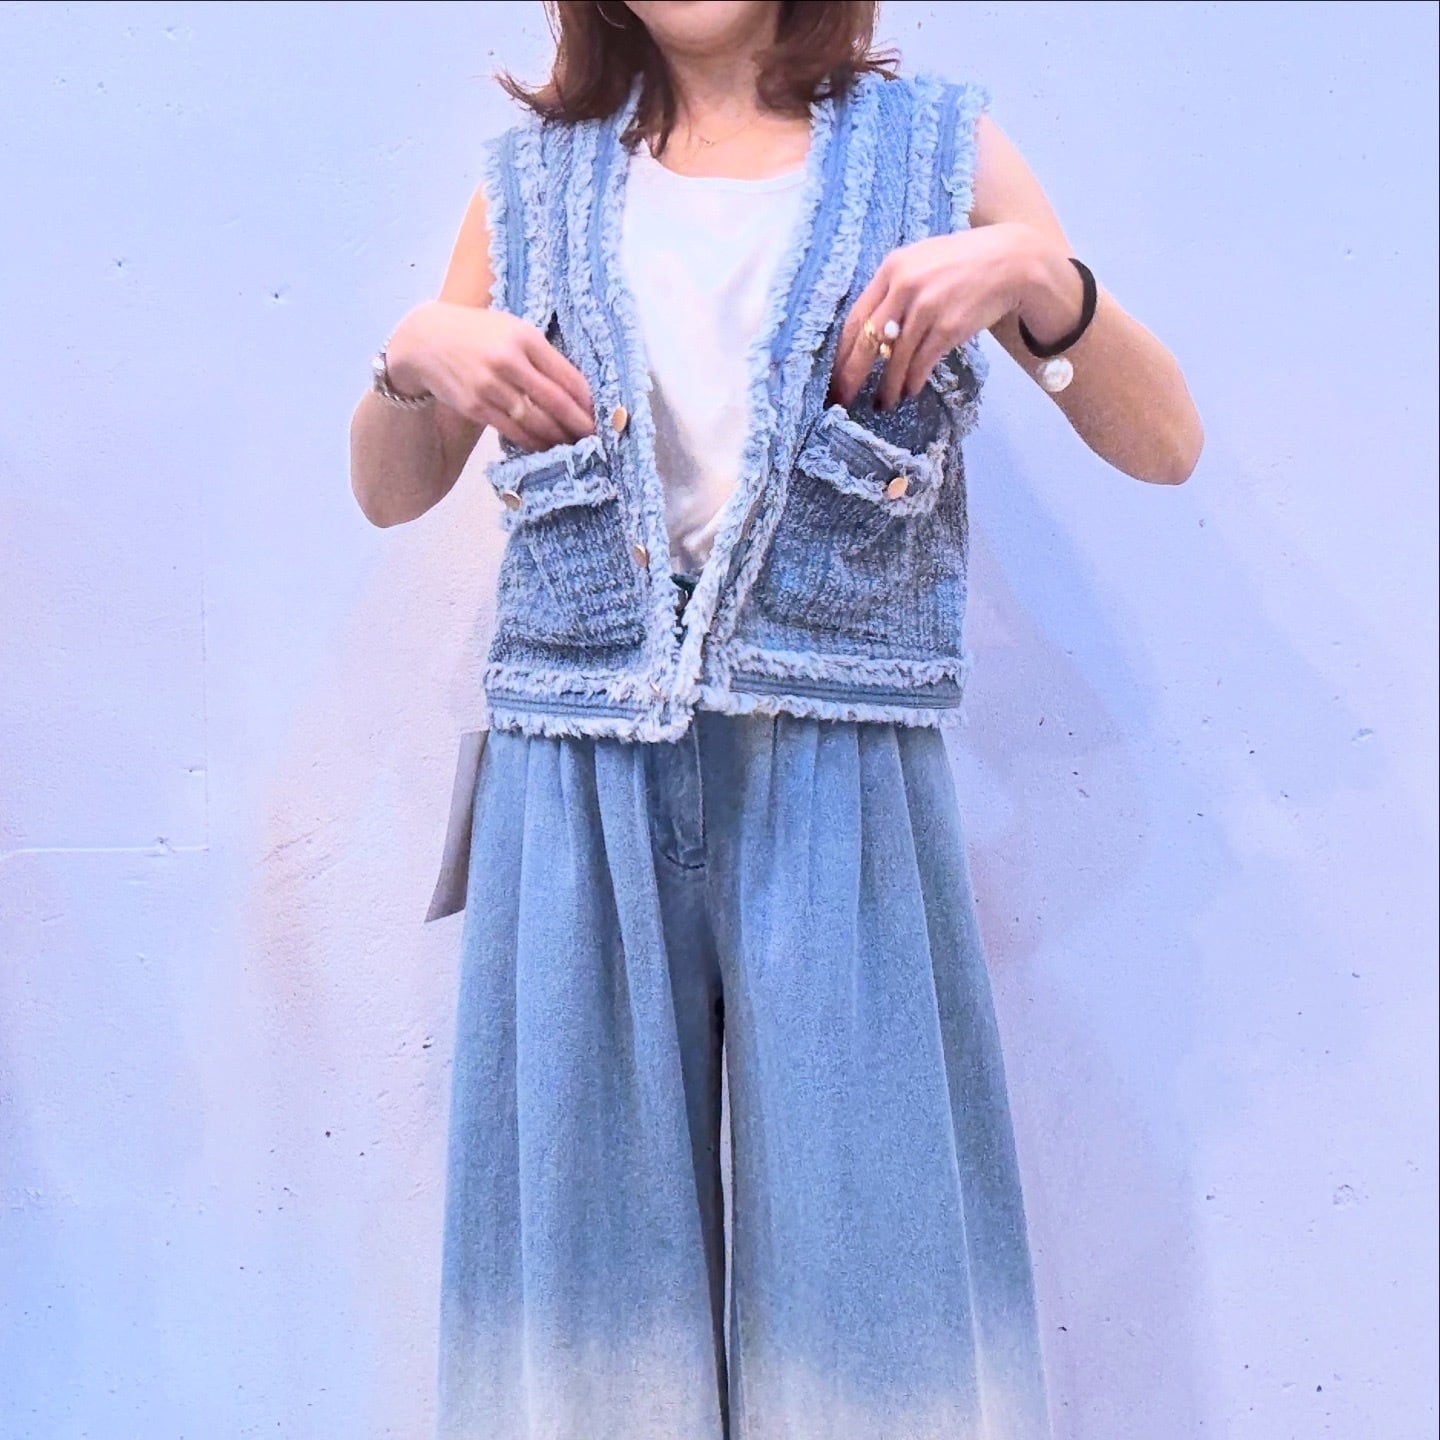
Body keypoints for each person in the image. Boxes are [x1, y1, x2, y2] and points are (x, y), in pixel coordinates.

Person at [349, 3, 1203, 1436]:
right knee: (576, 1288)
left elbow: (1164, 444)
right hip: (576, 773)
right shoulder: (534, 182)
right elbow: (391, 490)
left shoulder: (931, 151)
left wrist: (1037, 274)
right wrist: (414, 348)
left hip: (840, 764)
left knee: (877, 1273)